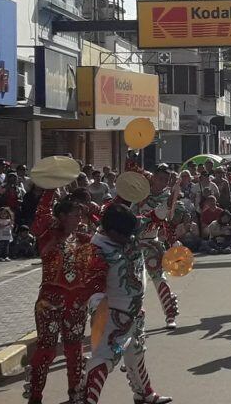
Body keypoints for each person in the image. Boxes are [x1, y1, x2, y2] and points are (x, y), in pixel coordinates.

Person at [83, 203, 172, 404]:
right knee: (104, 360)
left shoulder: (127, 231)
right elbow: (93, 286)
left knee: (136, 352)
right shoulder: (97, 250)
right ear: (111, 231)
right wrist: (97, 308)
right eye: (125, 235)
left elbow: (151, 218)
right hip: (113, 316)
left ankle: (144, 393)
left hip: (135, 312)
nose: (131, 238)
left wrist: (163, 209)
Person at [26, 190, 93, 404]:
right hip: (50, 302)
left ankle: (76, 394)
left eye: (80, 215)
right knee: (46, 349)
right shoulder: (47, 234)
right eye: (75, 214)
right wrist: (49, 190)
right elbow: (40, 217)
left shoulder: (84, 239)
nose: (79, 219)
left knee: (75, 349)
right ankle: (35, 397)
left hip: (76, 303)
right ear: (62, 216)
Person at [129, 166, 184, 329]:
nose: (162, 182)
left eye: (166, 180)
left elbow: (169, 221)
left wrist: (173, 240)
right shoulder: (140, 194)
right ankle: (132, 315)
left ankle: (170, 315)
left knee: (160, 278)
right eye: (160, 178)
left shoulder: (168, 197)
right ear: (153, 178)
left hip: (152, 243)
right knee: (133, 282)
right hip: (133, 243)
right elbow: (131, 216)